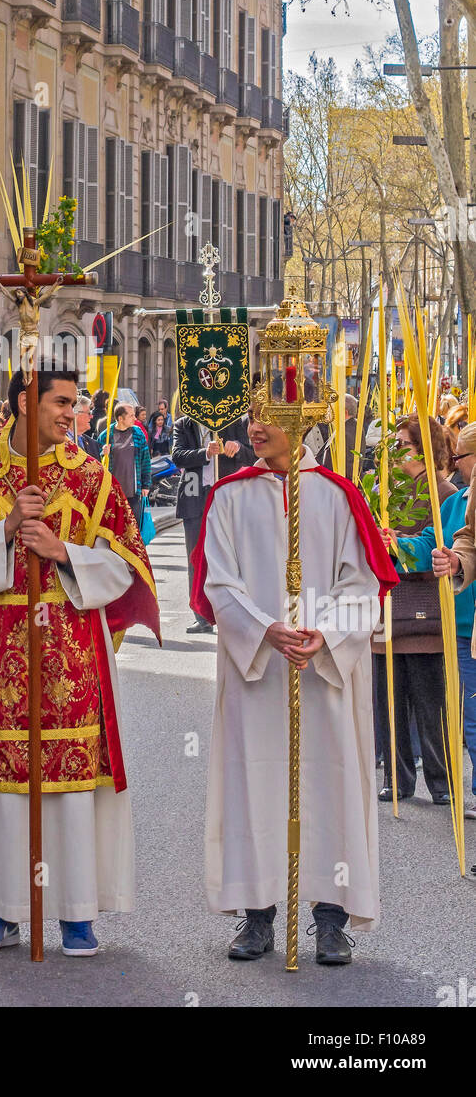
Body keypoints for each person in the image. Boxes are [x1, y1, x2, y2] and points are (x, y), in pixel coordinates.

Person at [0, 361, 159, 956]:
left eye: (74, 403)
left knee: (73, 783)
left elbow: (127, 562)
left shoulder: (91, 478)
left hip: (72, 650)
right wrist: (3, 532)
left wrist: (64, 551)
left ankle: (75, 910)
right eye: (60, 401)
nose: (70, 414)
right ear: (26, 401)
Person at [192, 407, 397, 965]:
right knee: (254, 781)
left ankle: (331, 919)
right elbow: (219, 579)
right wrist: (264, 629)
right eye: (251, 419)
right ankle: (256, 915)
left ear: (301, 422)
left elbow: (361, 579)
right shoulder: (231, 497)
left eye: (267, 418)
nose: (253, 429)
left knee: (329, 783)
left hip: (323, 667)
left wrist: (325, 635)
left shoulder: (335, 495)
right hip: (257, 665)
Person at [374, 413, 456, 805]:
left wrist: (396, 542)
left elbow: (435, 544)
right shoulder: (386, 489)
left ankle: (441, 784)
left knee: (428, 700)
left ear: (423, 447)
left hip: (422, 607)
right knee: (389, 699)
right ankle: (396, 778)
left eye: (402, 445)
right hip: (388, 604)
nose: (394, 453)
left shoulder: (441, 491)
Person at [397, 422, 476, 818]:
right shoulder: (456, 502)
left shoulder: (445, 492)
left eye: (463, 457)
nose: (458, 464)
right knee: (474, 721)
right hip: (463, 626)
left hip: (450, 619)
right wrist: (394, 545)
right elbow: (434, 544)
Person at [172, 413, 253, 634]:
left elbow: (252, 454)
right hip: (194, 498)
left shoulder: (233, 422)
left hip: (227, 498)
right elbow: (177, 456)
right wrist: (204, 453)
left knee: (231, 556)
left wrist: (237, 447)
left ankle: (234, 611)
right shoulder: (183, 425)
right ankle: (201, 616)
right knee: (195, 558)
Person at [101, 403, 151, 526]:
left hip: (134, 491)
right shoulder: (106, 436)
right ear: (120, 418)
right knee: (116, 528)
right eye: (131, 415)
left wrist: (146, 485)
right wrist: (103, 454)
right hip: (113, 493)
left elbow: (145, 460)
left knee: (134, 528)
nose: (135, 418)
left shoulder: (138, 433)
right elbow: (97, 463)